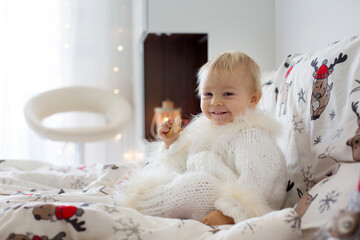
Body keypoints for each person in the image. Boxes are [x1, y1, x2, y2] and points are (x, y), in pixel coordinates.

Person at [116, 51, 287, 225]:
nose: (215, 102)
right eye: (208, 94)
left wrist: (229, 214)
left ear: (253, 99)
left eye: (227, 94)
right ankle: (140, 195)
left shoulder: (251, 135)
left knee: (200, 186)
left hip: (238, 204)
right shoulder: (203, 128)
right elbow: (181, 167)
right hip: (206, 192)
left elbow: (257, 183)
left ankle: (140, 204)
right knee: (181, 182)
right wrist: (172, 143)